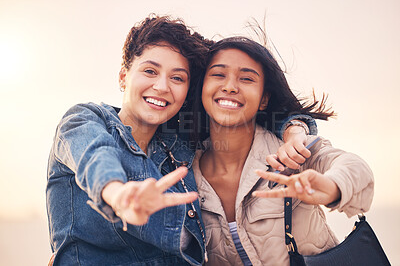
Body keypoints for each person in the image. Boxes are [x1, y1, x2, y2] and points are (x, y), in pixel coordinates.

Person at [46, 15, 315, 266]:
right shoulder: (85, 120)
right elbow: (93, 155)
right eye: (150, 71)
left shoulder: (178, 143)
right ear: (123, 76)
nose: (162, 87)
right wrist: (118, 195)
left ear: (187, 91)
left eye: (177, 78)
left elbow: (247, 112)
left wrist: (295, 129)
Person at [192, 36, 374, 265]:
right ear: (202, 87)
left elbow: (357, 170)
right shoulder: (185, 176)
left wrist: (331, 187)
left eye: (247, 78)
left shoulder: (293, 152)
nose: (229, 86)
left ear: (264, 99)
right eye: (218, 75)